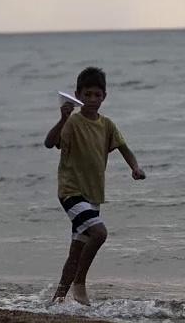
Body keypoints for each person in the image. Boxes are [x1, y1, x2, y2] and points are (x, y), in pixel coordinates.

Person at [44, 66, 146, 305]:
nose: (92, 99)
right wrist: (62, 118)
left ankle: (56, 302)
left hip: (93, 195)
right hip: (71, 191)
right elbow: (49, 143)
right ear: (77, 95)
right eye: (87, 94)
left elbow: (123, 147)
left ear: (104, 96)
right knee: (99, 233)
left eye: (97, 95)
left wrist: (135, 167)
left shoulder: (106, 124)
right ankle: (80, 283)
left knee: (76, 251)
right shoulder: (72, 122)